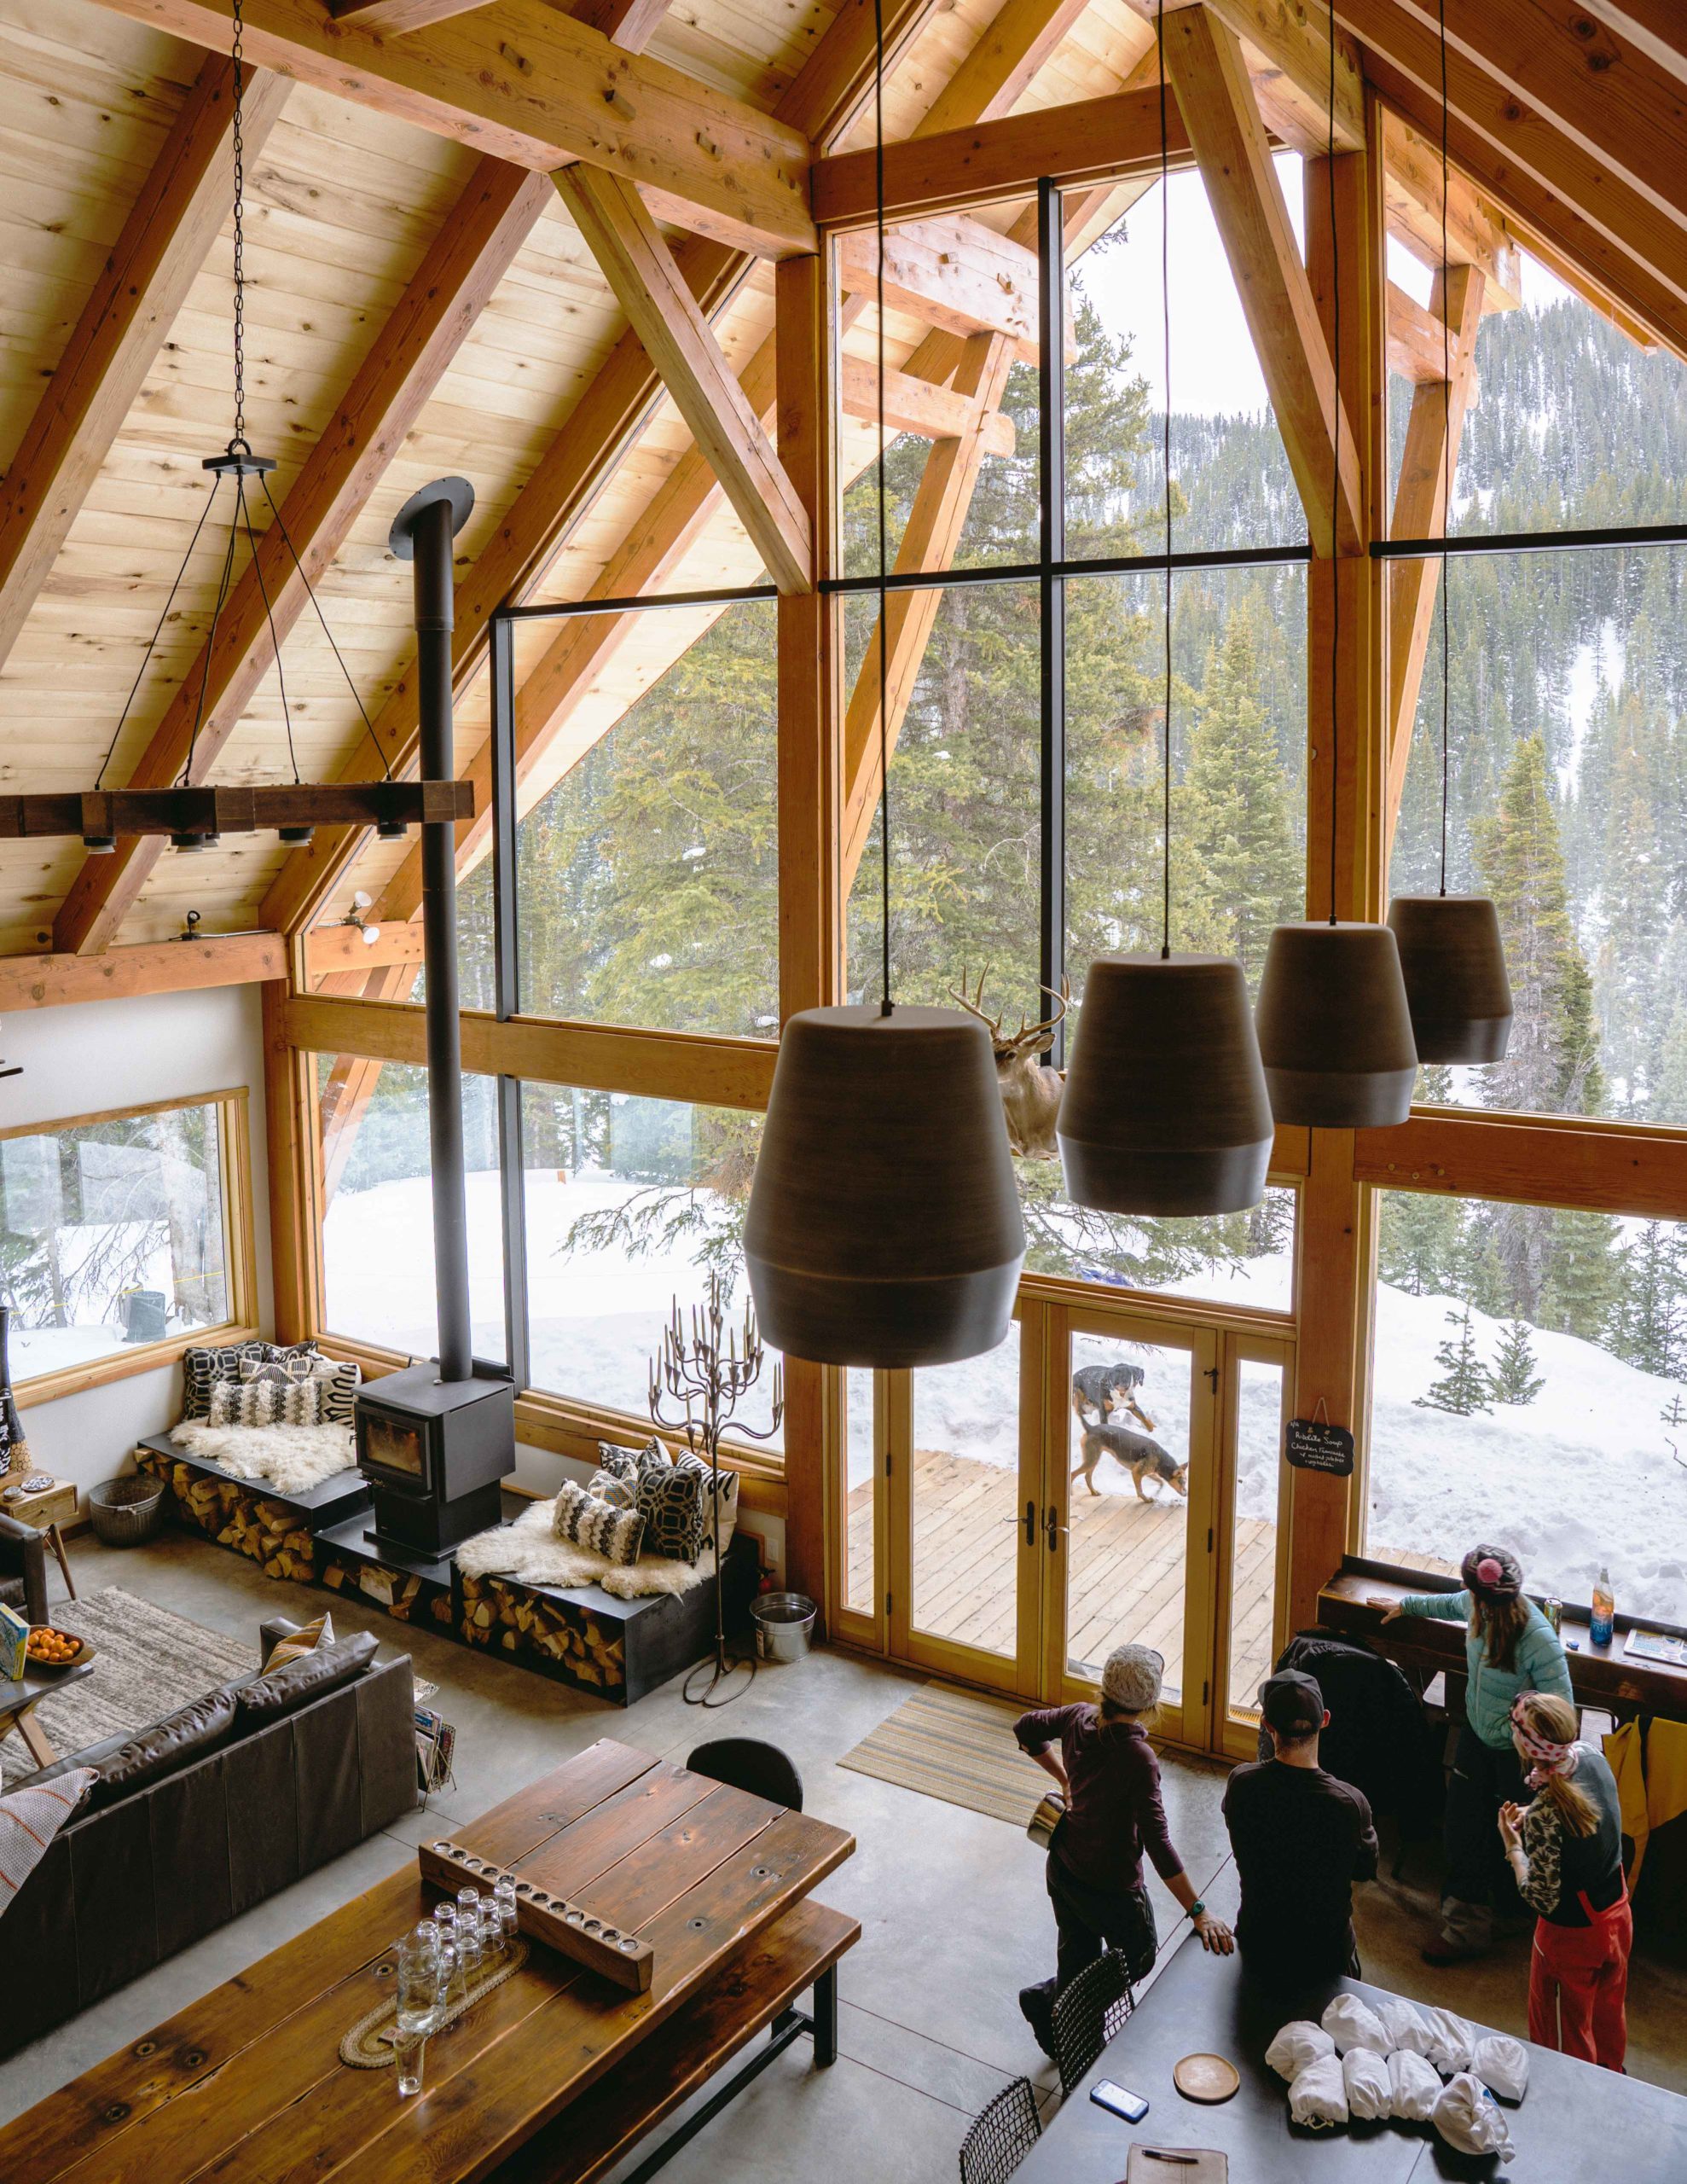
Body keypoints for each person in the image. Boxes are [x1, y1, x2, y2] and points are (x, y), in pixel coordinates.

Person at [1014, 1643, 1232, 2059]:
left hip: (1063, 1867)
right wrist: (1198, 1911)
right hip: (1110, 1885)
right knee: (1139, 1954)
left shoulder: (1078, 1716)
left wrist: (1065, 1780)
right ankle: (1055, 2004)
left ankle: (1065, 2028)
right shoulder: (1138, 1757)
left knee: (1078, 1955)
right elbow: (1158, 1843)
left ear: (1105, 1687)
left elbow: (1025, 1729)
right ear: (1150, 1705)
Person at [1371, 1542, 1572, 1963]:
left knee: (1512, 1833)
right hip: (1476, 1736)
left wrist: (1528, 1743)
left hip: (1517, 1754)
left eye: (1474, 1596)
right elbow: (1449, 1603)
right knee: (1463, 1830)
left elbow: (1561, 1711)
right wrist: (1405, 1606)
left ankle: (1513, 1914)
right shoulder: (1475, 1605)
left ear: (1493, 1600)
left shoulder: (1538, 1638)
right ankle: (1464, 1930)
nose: (1469, 1601)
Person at [1222, 1667, 1379, 1986]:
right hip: (1326, 1957)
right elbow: (1364, 1870)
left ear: (1266, 1724)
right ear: (1325, 1720)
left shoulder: (1242, 1783)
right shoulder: (1350, 1803)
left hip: (1258, 1942)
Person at [1499, 1691, 1631, 2071]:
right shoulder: (1591, 1756)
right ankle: (1613, 2073)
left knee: (1564, 2026)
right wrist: (1535, 1813)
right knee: (1609, 2008)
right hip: (1616, 1912)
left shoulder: (1546, 1814)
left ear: (1525, 1747)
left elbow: (1540, 1896)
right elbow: (1586, 1810)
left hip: (1571, 1935)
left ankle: (1568, 2087)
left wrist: (1514, 1847)